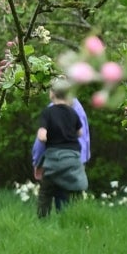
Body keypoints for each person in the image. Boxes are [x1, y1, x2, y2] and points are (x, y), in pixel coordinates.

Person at [32, 80, 90, 217]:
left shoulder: (48, 112)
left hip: (54, 160)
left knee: (45, 193)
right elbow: (81, 133)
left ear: (52, 94)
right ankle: (72, 220)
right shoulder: (74, 112)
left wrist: (37, 160)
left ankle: (42, 220)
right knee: (71, 193)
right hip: (72, 160)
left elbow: (42, 137)